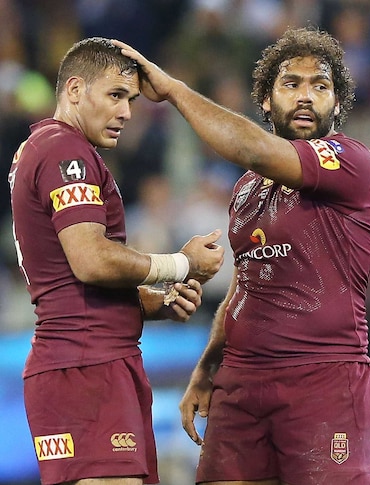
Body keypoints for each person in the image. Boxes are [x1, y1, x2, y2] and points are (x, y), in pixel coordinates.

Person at [113, 26, 370, 485]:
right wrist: (210, 364)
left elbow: (253, 149)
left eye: (320, 86)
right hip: (242, 381)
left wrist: (176, 91)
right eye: (290, 84)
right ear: (265, 100)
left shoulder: (351, 162)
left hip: (322, 377)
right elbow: (247, 282)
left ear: (337, 104)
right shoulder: (246, 190)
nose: (306, 96)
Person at [7, 37, 225, 485]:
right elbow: (89, 260)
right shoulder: (64, 150)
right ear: (73, 90)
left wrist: (152, 302)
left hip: (84, 361)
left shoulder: (46, 147)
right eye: (115, 95)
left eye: (130, 99)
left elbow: (71, 287)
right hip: (86, 367)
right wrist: (180, 265)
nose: (126, 112)